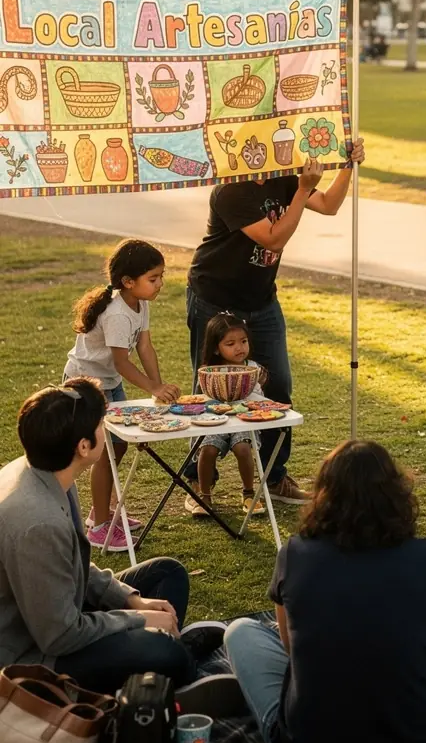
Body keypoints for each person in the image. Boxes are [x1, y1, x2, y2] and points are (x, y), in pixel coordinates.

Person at [224, 440, 426, 743]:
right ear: (396, 494)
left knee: (240, 632)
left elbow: (288, 648)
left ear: (324, 495)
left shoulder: (293, 555)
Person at [0, 378, 242, 711]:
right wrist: (137, 620)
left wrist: (131, 601)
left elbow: (75, 565)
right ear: (84, 446)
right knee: (165, 652)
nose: (106, 428)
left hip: (64, 609)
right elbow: (59, 635)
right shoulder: (37, 522)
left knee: (167, 574)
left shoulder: (47, 471)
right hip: (38, 658)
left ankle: (157, 664)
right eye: (101, 423)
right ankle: (171, 674)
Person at [186, 141, 365, 505]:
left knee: (278, 387)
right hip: (215, 298)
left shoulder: (282, 179)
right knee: (209, 391)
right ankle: (198, 483)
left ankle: (274, 477)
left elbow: (329, 206)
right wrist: (301, 190)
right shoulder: (230, 191)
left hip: (261, 301)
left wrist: (347, 165)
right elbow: (275, 236)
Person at [63, 239, 180, 551]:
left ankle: (99, 512)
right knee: (103, 451)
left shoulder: (140, 305)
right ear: (128, 282)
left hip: (110, 382)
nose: (160, 284)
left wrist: (160, 388)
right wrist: (152, 388)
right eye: (153, 279)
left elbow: (144, 347)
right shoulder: (116, 313)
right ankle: (100, 526)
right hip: (86, 384)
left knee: (118, 446)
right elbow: (121, 360)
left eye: (161, 276)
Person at [191, 313, 269, 518]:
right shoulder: (207, 372)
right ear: (216, 347)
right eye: (231, 343)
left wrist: (261, 380)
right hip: (215, 420)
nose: (239, 348)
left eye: (243, 341)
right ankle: (204, 496)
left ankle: (249, 493)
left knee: (243, 448)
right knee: (207, 449)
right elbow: (204, 401)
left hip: (244, 420)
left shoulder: (253, 368)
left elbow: (259, 397)